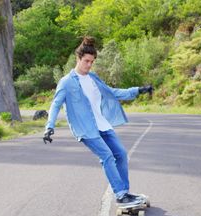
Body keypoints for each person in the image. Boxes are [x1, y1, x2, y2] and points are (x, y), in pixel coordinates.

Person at [43, 36, 153, 206]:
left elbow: (112, 92)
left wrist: (138, 90)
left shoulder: (93, 78)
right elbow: (55, 104)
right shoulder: (66, 82)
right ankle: (120, 195)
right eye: (86, 61)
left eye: (92, 62)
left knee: (121, 154)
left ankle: (125, 191)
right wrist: (49, 126)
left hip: (102, 125)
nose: (89, 65)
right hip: (86, 129)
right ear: (78, 59)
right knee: (107, 156)